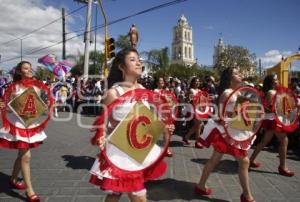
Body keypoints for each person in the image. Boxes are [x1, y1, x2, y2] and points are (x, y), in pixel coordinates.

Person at [89, 48, 174, 202]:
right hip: (121, 154)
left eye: (139, 59)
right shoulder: (114, 93)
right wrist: (101, 136)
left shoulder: (143, 90)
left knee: (115, 194)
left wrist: (164, 126)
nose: (138, 62)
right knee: (138, 197)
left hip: (139, 149)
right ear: (121, 67)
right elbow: (103, 121)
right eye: (133, 60)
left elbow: (148, 118)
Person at [195, 67, 255, 202]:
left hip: (234, 131)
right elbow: (220, 115)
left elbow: (241, 113)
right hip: (228, 133)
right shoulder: (227, 93)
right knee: (244, 161)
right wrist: (233, 118)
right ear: (229, 78)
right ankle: (247, 196)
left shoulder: (237, 92)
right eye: (236, 73)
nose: (240, 74)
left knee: (215, 160)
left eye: (239, 72)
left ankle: (200, 185)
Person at [0, 61, 43, 202]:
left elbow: (37, 104)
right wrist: (3, 105)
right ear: (20, 71)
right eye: (26, 68)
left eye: (30, 68)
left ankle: (13, 179)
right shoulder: (13, 87)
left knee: (22, 154)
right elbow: (6, 106)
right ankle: (30, 191)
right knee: (26, 156)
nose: (29, 70)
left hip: (30, 123)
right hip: (18, 124)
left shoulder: (37, 86)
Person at [249, 74, 294, 177]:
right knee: (284, 140)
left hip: (275, 119)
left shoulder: (276, 91)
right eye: (275, 79)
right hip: (274, 119)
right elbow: (268, 107)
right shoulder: (271, 92)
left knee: (264, 141)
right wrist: (282, 108)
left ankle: (251, 160)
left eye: (277, 79)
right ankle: (282, 167)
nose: (277, 80)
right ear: (271, 82)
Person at [153, 77, 173, 157]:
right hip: (159, 112)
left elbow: (171, 101)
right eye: (160, 81)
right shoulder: (155, 91)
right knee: (157, 131)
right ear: (157, 83)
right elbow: (156, 101)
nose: (162, 82)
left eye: (163, 81)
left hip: (167, 112)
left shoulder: (166, 90)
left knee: (167, 131)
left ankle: (166, 148)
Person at [182, 77, 203, 148]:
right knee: (199, 125)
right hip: (193, 109)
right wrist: (189, 98)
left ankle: (186, 137)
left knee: (199, 125)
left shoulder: (200, 90)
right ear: (193, 83)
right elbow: (188, 100)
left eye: (198, 81)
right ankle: (197, 142)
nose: (197, 83)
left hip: (199, 109)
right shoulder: (191, 90)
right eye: (196, 81)